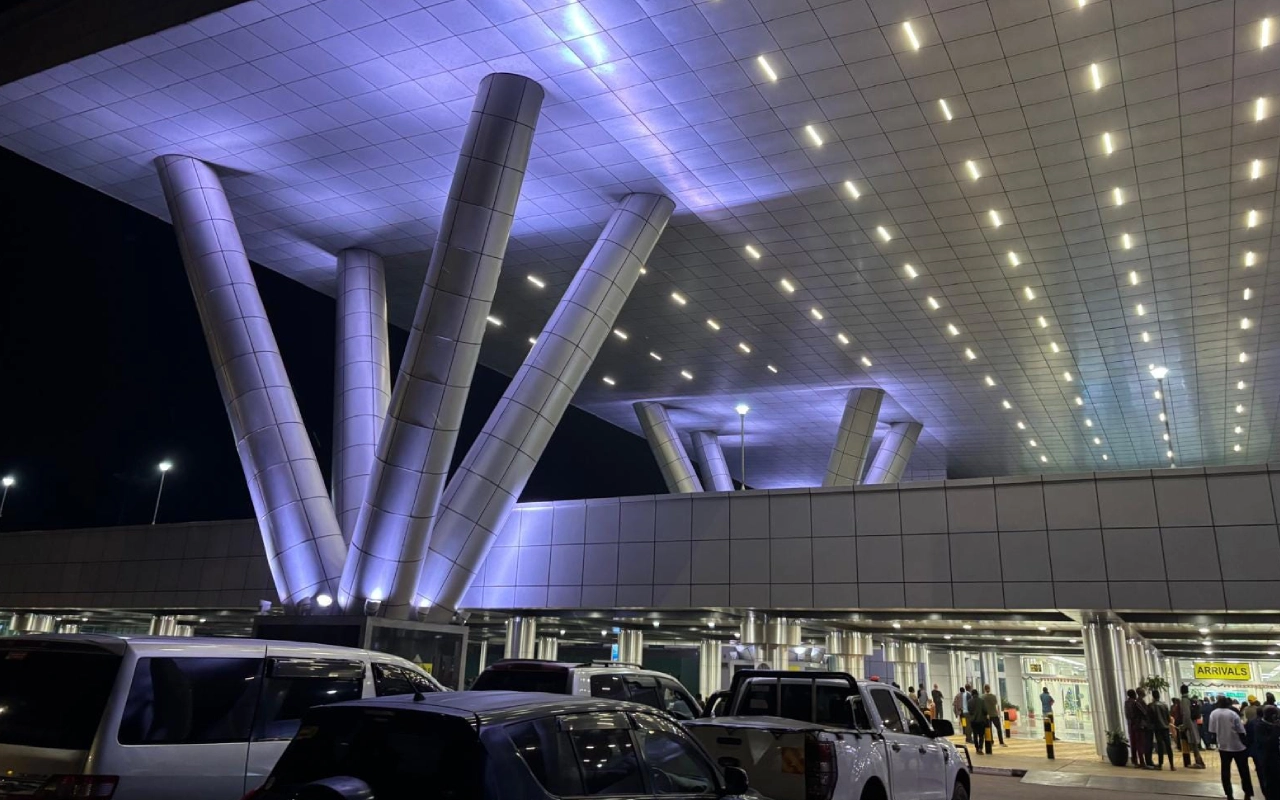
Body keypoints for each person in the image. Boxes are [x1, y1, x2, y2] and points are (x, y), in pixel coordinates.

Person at [1211, 695, 1254, 800]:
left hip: (1223, 746)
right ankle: (1247, 793)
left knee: (1225, 771)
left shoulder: (1214, 713)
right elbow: (1241, 731)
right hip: (1238, 746)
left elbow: (1212, 731)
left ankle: (1229, 794)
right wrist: (1246, 744)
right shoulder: (1233, 714)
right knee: (1244, 771)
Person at [1175, 684, 1207, 769]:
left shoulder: (1184, 700)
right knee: (1193, 744)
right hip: (1193, 723)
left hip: (1189, 725)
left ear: (1181, 691)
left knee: (1193, 744)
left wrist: (1184, 726)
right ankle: (1199, 761)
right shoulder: (1190, 699)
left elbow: (1186, 714)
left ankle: (1199, 762)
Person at [1149, 689, 1176, 771]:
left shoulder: (1151, 706)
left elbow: (1150, 718)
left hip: (1157, 728)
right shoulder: (1164, 705)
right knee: (1168, 746)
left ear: (1153, 696)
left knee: (1160, 746)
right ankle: (1172, 765)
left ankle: (1160, 764)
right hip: (1165, 728)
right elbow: (1168, 717)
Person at [1257, 706, 1280, 800]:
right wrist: (1275, 729)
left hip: (1276, 759)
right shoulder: (1260, 726)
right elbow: (1267, 743)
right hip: (1268, 761)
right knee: (1271, 784)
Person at [1126, 689, 1150, 768]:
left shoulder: (1126, 703)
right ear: (1134, 695)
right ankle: (1142, 762)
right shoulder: (1135, 703)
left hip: (1130, 725)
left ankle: (1134, 761)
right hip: (1137, 725)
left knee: (1133, 744)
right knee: (1139, 743)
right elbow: (1144, 712)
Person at [969, 687, 990, 753]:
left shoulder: (969, 702)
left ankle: (977, 748)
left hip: (973, 721)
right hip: (981, 720)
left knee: (975, 735)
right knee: (981, 735)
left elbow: (970, 711)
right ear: (977, 694)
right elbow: (985, 710)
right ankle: (980, 748)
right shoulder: (982, 701)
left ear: (972, 694)